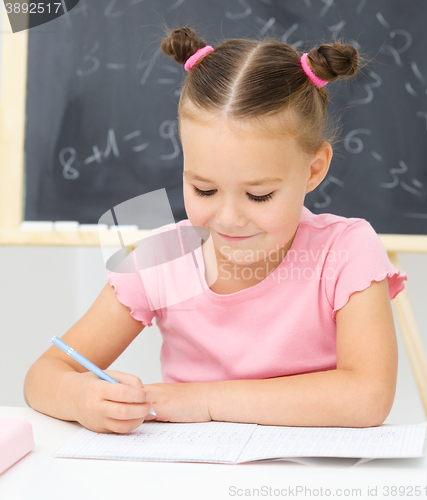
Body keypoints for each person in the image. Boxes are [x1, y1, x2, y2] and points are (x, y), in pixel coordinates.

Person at [24, 27, 407, 434]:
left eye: (258, 195)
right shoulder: (161, 257)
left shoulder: (346, 250)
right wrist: (81, 397)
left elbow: (368, 397)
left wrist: (205, 400)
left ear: (313, 170)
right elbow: (43, 376)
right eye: (203, 189)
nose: (228, 218)